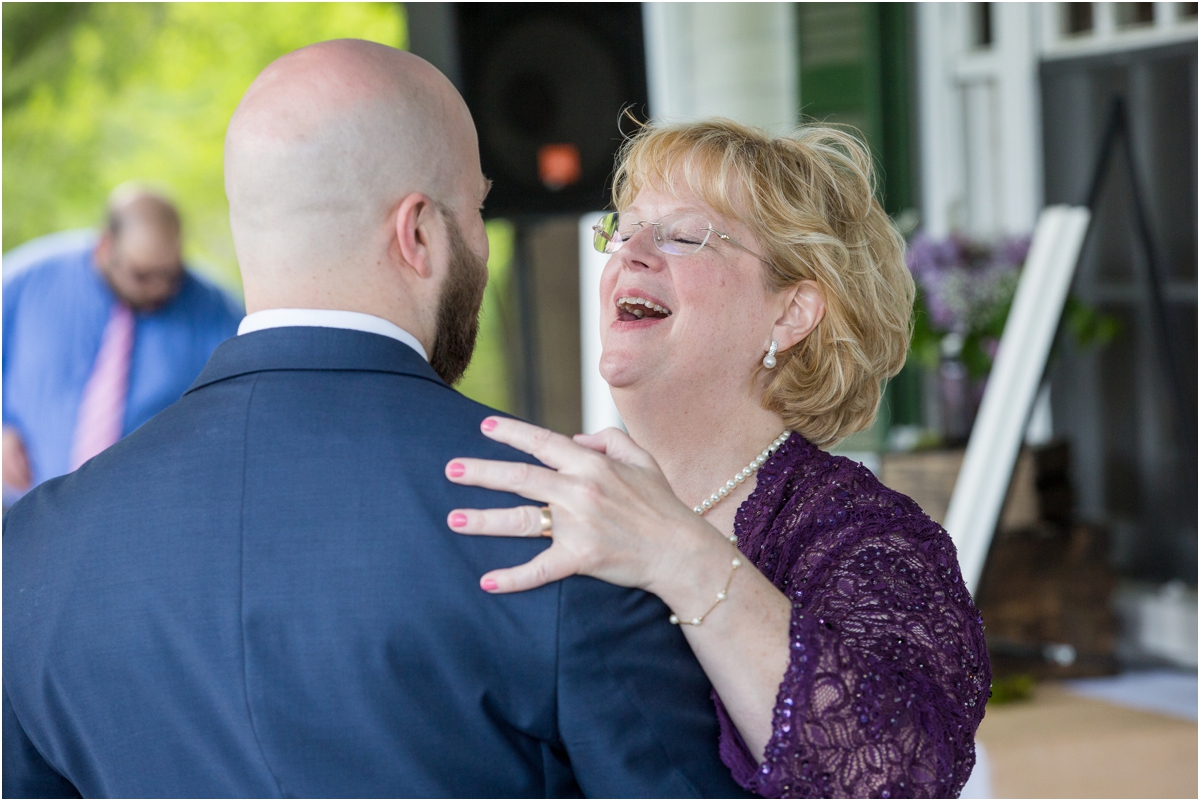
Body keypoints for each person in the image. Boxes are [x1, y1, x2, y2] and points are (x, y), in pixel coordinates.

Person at [2, 41, 749, 799]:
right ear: (418, 232)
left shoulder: (33, 549)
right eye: (477, 211)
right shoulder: (565, 519)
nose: (482, 249)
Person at [444, 120, 992, 798]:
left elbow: (891, 778)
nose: (631, 254)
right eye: (626, 228)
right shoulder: (561, 494)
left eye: (682, 235)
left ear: (791, 313)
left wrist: (678, 553)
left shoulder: (870, 541)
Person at [2, 188, 242, 499]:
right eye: (142, 276)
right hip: (18, 512)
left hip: (145, 514)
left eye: (171, 275)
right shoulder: (24, 280)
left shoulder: (218, 310)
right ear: (105, 246)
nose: (159, 289)